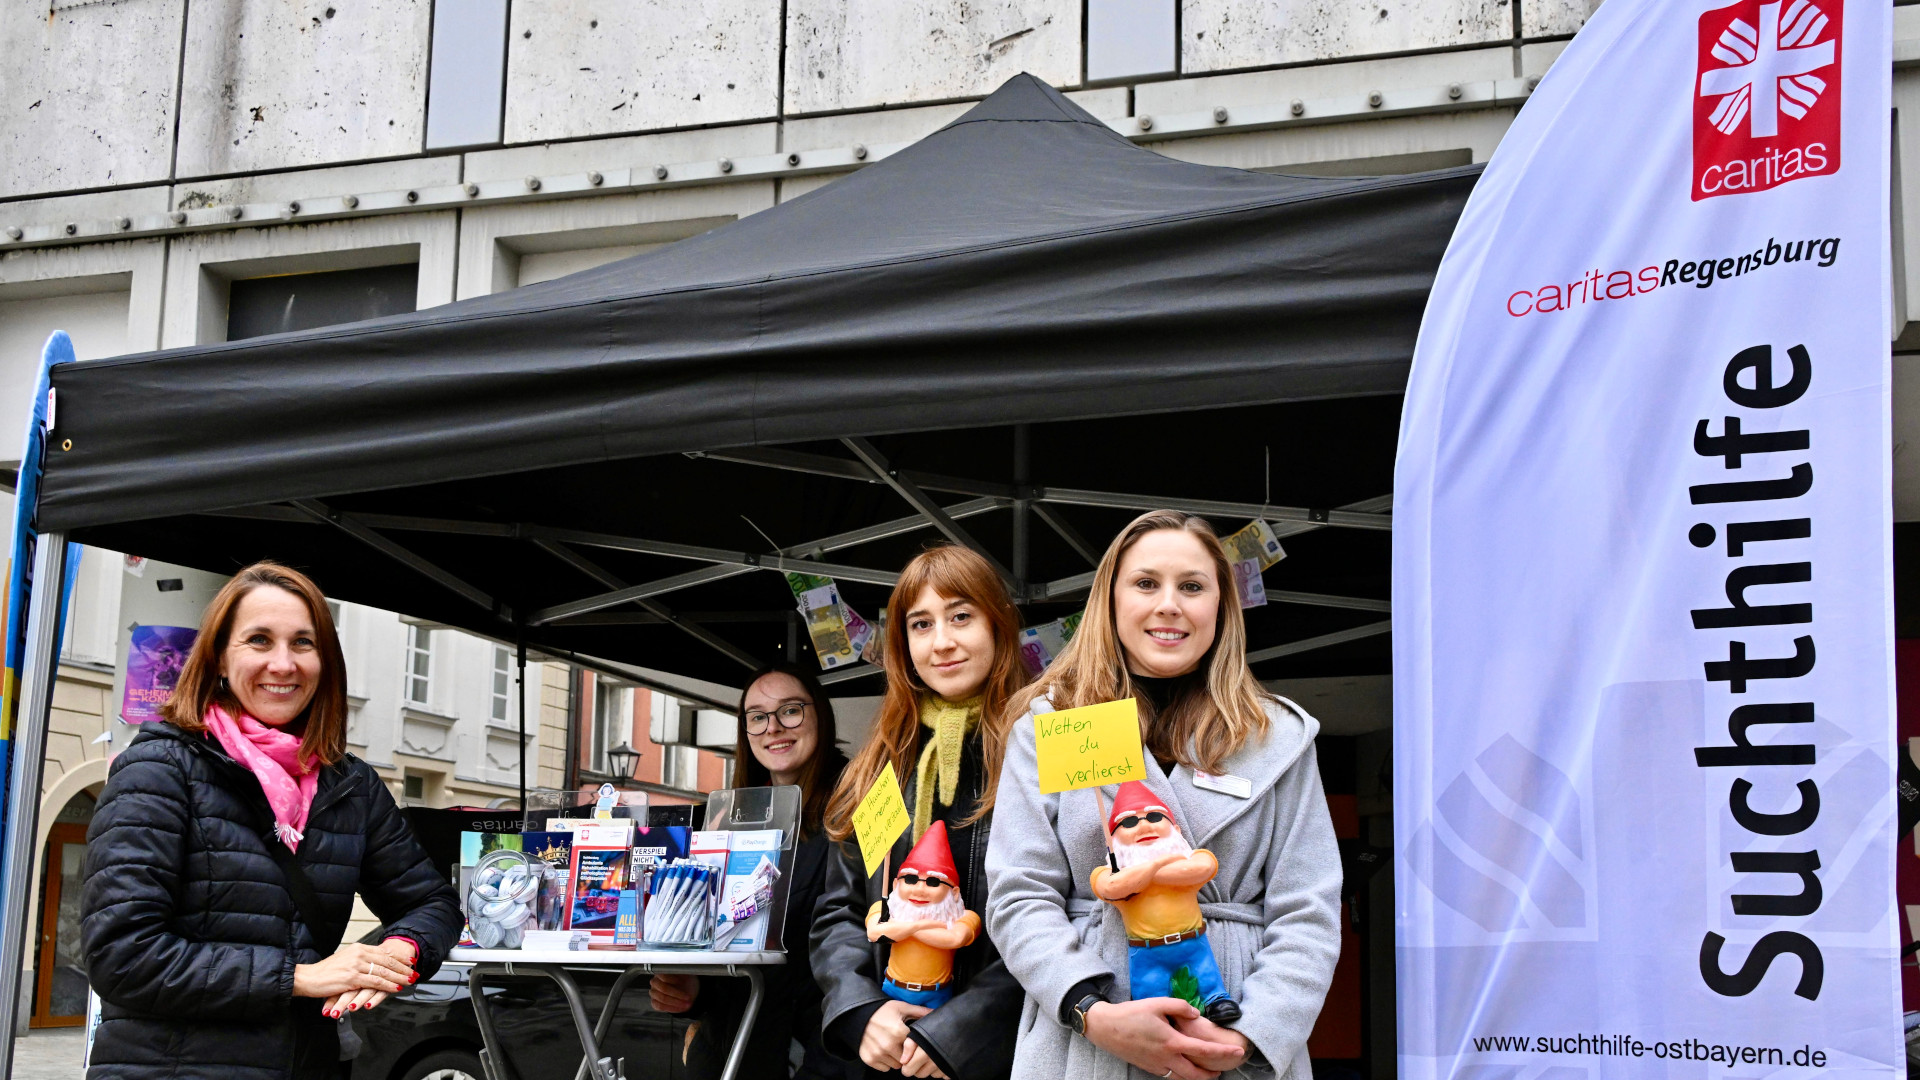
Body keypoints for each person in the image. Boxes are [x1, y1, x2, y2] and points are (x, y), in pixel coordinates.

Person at [985, 511, 1342, 1080]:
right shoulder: (1052, 722)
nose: (1169, 604)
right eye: (1146, 583)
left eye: (1193, 586)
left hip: (1233, 1033)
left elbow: (1309, 910)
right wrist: (1091, 1011)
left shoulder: (1282, 737)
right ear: (1110, 599)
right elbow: (1018, 894)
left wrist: (1248, 1036)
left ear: (1222, 606)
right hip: (1088, 1042)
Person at [81, 562, 462, 1080]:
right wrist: (300, 978)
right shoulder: (159, 770)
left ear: (325, 661)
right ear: (218, 658)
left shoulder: (349, 785)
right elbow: (123, 957)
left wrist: (400, 950)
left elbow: (430, 902)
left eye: (303, 643)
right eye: (259, 640)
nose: (283, 664)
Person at [812, 545, 1028, 1080]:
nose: (943, 642)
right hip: (890, 1052)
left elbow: (1065, 913)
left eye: (961, 616)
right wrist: (862, 1011)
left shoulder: (1040, 751)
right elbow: (839, 912)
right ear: (902, 645)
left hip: (1005, 1054)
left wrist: (955, 1034)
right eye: (921, 624)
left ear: (997, 625)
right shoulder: (881, 764)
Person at [649, 661, 859, 1079]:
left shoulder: (858, 804)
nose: (773, 728)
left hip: (820, 1058)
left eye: (791, 710)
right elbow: (726, 938)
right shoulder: (726, 817)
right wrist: (695, 992)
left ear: (820, 714)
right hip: (734, 1053)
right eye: (757, 717)